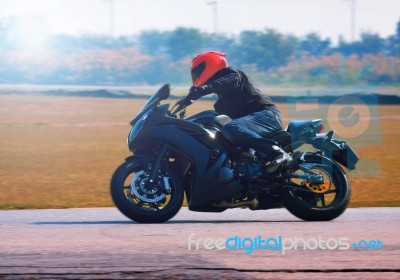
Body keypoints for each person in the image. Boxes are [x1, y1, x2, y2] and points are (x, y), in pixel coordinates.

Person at [178, 51, 292, 173]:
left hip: (267, 116)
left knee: (230, 128)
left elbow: (226, 82)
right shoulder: (221, 104)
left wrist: (204, 89)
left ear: (208, 65)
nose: (195, 76)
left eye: (196, 72)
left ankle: (277, 152)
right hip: (255, 123)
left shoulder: (233, 74)